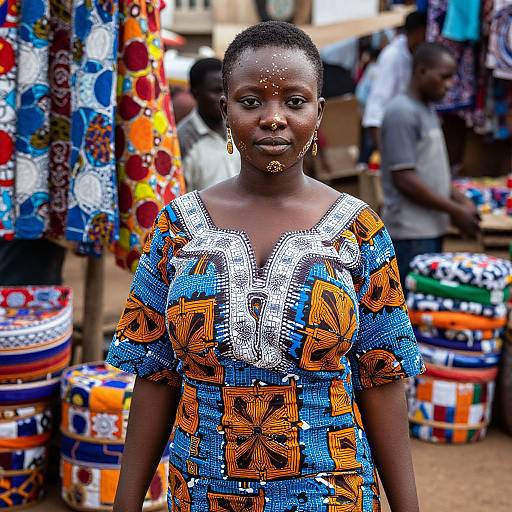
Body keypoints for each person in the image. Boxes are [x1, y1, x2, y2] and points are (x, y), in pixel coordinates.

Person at [108, 21, 424, 512]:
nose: (273, 118)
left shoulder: (358, 230)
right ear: (225, 109)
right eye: (251, 101)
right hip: (201, 493)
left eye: (294, 101)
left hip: (332, 493)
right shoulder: (177, 229)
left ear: (318, 114)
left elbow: (381, 379)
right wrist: (125, 504)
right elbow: (155, 375)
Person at [380, 42, 480, 283]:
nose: (449, 85)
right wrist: (454, 210)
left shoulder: (426, 111)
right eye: (444, 77)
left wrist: (461, 200)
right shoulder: (401, 112)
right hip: (410, 233)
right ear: (421, 71)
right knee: (409, 309)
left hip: (430, 229)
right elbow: (404, 178)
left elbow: (431, 171)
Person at [362, 10, 427, 145]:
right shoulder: (392, 57)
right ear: (419, 32)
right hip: (394, 131)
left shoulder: (416, 55)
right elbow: (376, 107)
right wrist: (383, 151)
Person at [177, 58, 240, 191]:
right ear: (195, 93)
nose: (224, 97)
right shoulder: (182, 141)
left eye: (226, 90)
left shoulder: (239, 129)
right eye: (216, 91)